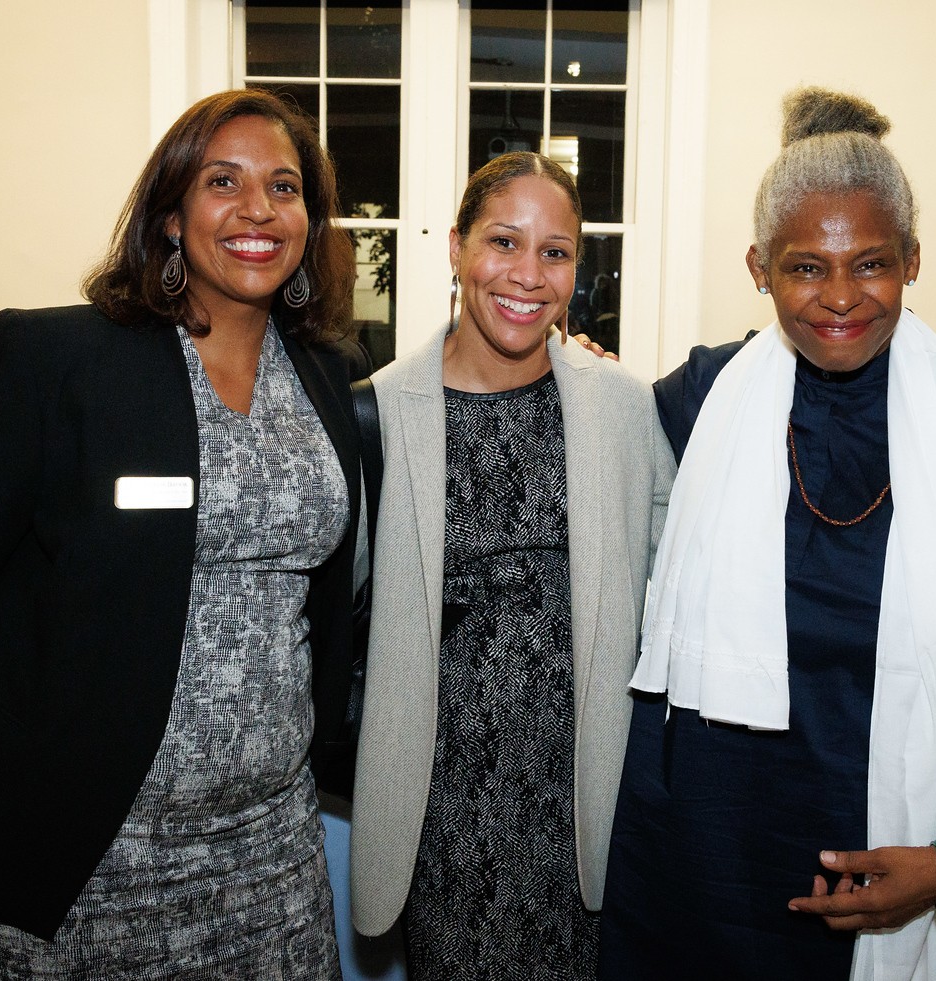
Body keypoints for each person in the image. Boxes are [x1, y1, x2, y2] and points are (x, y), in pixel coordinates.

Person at [0, 89, 368, 977]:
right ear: (169, 216)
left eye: (285, 186)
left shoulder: (331, 377)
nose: (258, 208)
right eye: (222, 181)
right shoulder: (55, 363)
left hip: (266, 860)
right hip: (67, 867)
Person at [600, 88, 936, 980]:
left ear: (912, 259)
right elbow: (579, 448)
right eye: (804, 268)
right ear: (757, 265)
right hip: (696, 865)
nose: (839, 299)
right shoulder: (697, 400)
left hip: (901, 859)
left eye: (870, 265)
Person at [347, 151, 676, 980]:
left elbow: (676, 586)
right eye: (503, 241)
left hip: (586, 812)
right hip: (443, 818)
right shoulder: (375, 412)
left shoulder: (623, 409)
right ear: (455, 247)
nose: (528, 275)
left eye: (555, 252)